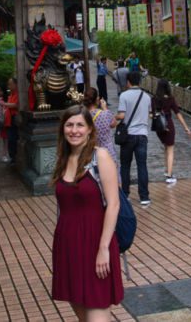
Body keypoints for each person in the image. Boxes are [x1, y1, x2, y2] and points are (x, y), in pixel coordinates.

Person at [51, 105, 124, 320]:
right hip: (68, 246)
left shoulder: (99, 157)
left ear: (90, 129)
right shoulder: (63, 160)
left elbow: (113, 204)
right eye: (70, 125)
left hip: (95, 244)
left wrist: (103, 249)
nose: (74, 130)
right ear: (63, 129)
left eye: (80, 125)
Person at [112, 71, 152, 206]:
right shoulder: (146, 97)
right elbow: (149, 114)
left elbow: (122, 116)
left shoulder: (124, 95)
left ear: (128, 81)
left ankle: (126, 194)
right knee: (142, 165)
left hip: (128, 135)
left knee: (125, 166)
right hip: (142, 135)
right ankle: (144, 196)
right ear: (139, 82)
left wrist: (113, 116)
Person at [153, 79, 191, 184]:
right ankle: (169, 176)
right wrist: (186, 127)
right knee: (170, 150)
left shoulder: (154, 98)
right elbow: (177, 113)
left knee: (166, 148)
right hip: (169, 125)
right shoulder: (170, 99)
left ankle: (167, 171)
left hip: (159, 127)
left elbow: (151, 114)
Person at [83, 87, 116, 156]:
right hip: (107, 151)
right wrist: (105, 107)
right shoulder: (105, 114)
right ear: (97, 99)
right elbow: (113, 124)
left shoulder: (83, 116)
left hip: (91, 152)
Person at [0, 77, 20, 164]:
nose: (9, 86)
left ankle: (14, 157)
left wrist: (4, 104)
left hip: (14, 119)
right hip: (9, 120)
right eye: (8, 84)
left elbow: (16, 105)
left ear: (15, 84)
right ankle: (12, 157)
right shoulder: (11, 95)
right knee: (10, 139)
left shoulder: (18, 94)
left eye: (10, 84)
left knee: (13, 139)